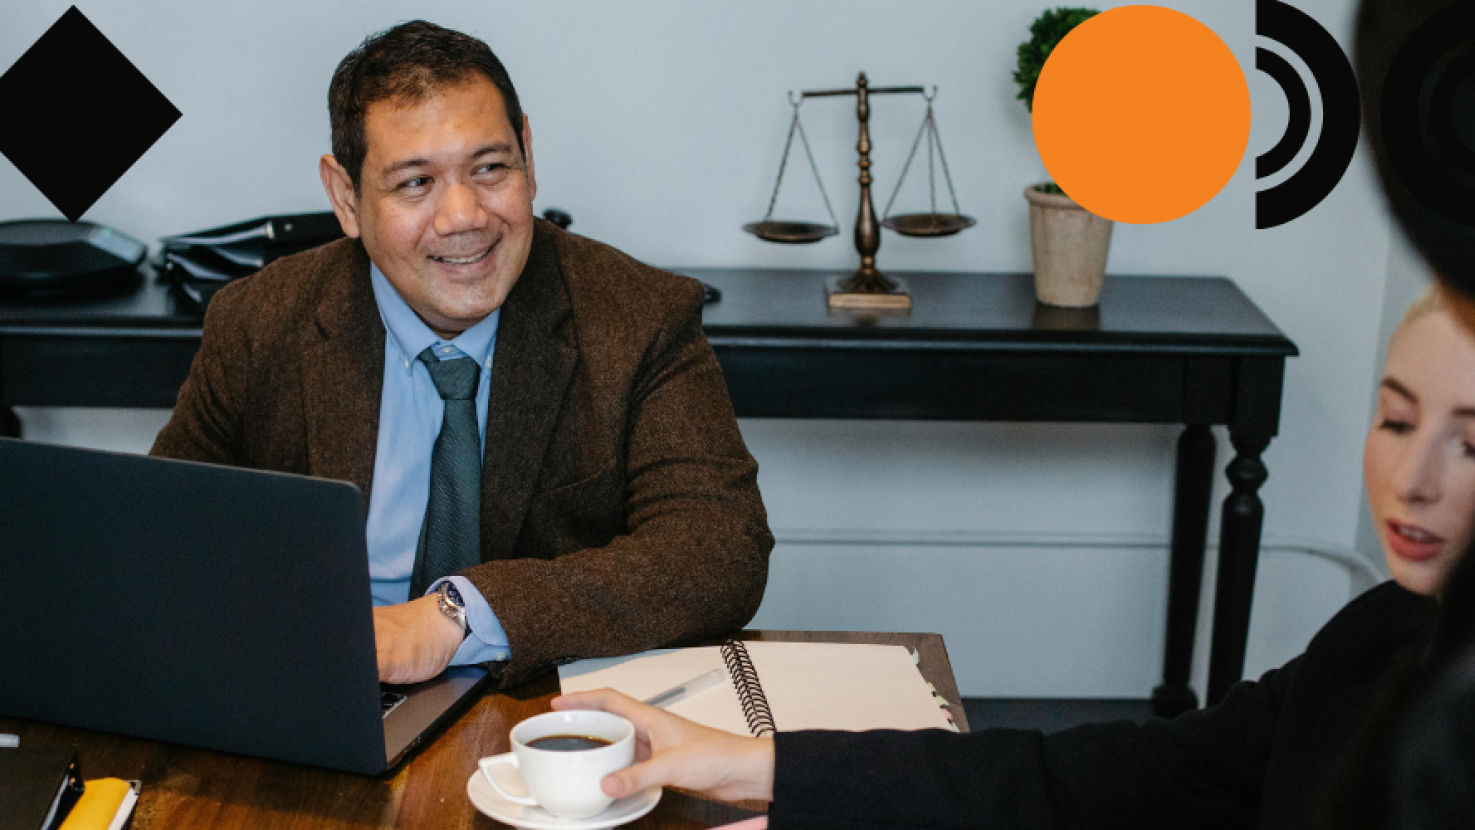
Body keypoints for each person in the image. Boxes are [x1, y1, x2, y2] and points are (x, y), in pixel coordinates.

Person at [555, 288, 1475, 828]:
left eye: (1470, 443)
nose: (1410, 478)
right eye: (1395, 420)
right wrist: (763, 767)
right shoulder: (1386, 631)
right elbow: (1106, 779)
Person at [150, 21, 773, 689]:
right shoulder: (259, 321)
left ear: (528, 155)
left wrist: (460, 616)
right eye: (415, 183)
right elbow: (161, 540)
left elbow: (717, 551)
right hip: (325, 687)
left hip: (543, 712)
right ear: (345, 198)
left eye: (489, 168)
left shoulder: (640, 317)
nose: (462, 216)